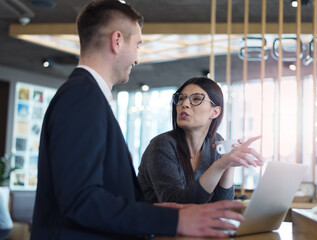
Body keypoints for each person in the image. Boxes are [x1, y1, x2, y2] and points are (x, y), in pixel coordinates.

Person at [30, 0, 244, 239]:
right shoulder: (82, 97)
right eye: (138, 45)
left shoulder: (85, 95)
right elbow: (81, 200)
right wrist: (173, 219)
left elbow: (96, 194)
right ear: (117, 40)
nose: (137, 59)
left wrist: (150, 210)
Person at [138, 77, 264, 204]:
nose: (184, 104)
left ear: (215, 112)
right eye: (181, 98)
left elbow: (221, 206)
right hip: (155, 223)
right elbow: (177, 206)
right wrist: (219, 166)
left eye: (196, 99)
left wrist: (230, 164)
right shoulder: (162, 145)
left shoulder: (216, 142)